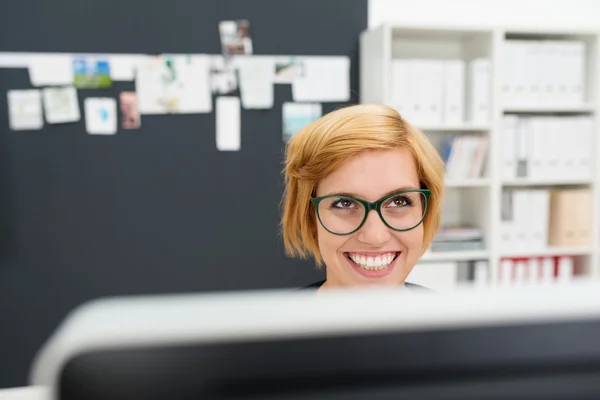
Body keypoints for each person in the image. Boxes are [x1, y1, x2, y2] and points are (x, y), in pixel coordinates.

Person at [280, 104, 445, 290]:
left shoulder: (455, 318)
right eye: (345, 204)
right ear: (310, 216)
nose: (375, 237)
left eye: (399, 202)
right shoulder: (278, 320)